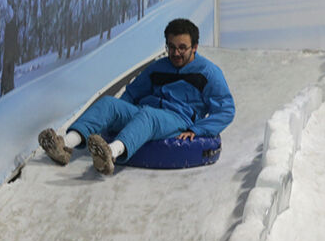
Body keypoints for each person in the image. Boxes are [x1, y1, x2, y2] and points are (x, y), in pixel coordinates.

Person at [38, 18, 235, 176]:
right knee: (109, 103)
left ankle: (110, 154)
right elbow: (133, 92)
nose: (176, 53)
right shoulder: (158, 68)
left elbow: (226, 109)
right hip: (146, 112)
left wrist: (197, 129)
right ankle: (65, 145)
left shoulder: (208, 72)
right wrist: (117, 119)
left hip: (177, 119)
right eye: (171, 47)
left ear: (195, 47)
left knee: (149, 115)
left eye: (182, 48)